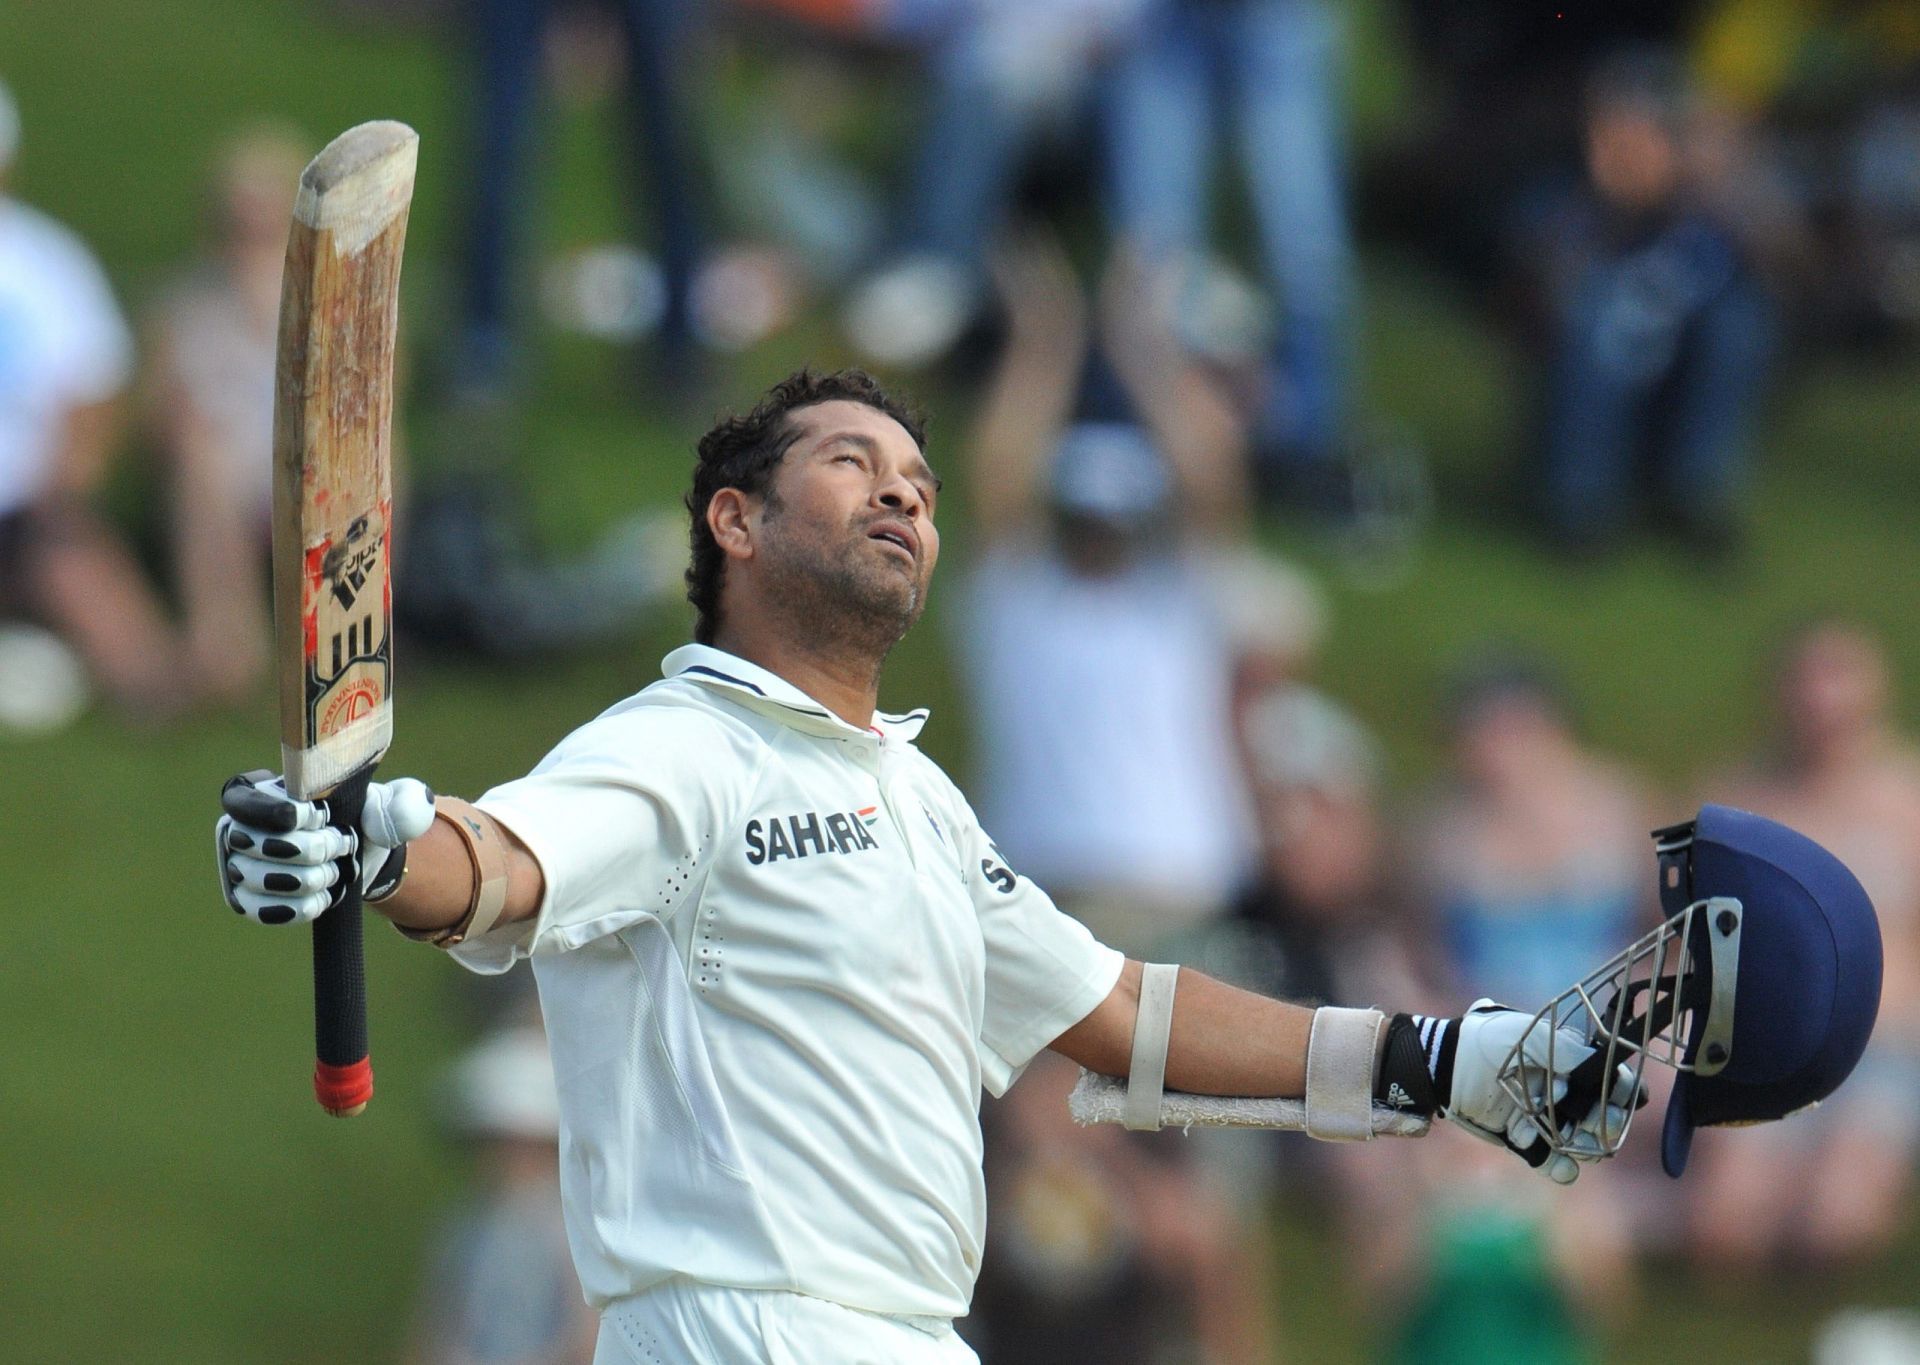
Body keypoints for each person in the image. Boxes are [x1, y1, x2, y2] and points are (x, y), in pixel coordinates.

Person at [216, 369, 1635, 1363]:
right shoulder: (677, 745)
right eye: (855, 466)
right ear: (735, 520)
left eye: (922, 485)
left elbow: (1127, 1016)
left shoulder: (919, 801)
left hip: (908, 1334)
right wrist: (374, 855)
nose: (903, 498)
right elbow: (502, 862)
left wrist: (1451, 1060)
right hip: (742, 1329)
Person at [1685, 619, 1920, 1269]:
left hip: (1883, 1049)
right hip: (1761, 1050)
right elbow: (1681, 937)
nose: (1823, 698)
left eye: (1840, 675)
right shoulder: (1737, 799)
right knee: (1723, 1231)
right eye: (1808, 678)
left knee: (1832, 1224)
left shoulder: (1909, 801)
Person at [0, 77, 185, 720]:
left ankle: (157, 689)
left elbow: (95, 392)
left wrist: (67, 487)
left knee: (73, 562)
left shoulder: (45, 264)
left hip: (24, 509)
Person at [147, 126, 308, 706]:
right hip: (226, 460)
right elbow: (159, 408)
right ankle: (225, 644)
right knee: (201, 465)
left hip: (309, 455)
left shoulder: (327, 298)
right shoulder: (186, 302)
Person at [407, 1027, 599, 1365]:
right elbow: (434, 1329)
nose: (505, 1158)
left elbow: (587, 1339)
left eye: (519, 1144)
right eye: (495, 1142)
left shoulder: (573, 1234)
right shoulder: (467, 1226)